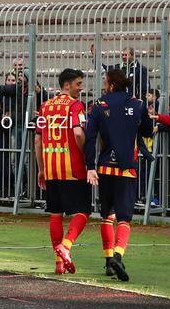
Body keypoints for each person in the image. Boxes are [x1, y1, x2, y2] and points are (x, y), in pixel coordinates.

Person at [83, 68, 155, 282]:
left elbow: (89, 137)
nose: (104, 86)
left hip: (105, 168)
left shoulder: (99, 105)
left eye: (105, 82)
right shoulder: (138, 104)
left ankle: (108, 262)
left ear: (111, 84)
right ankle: (118, 256)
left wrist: (90, 166)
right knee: (124, 218)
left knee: (107, 215)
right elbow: (148, 131)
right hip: (127, 168)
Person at [35, 68, 89, 275]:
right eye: (78, 84)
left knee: (56, 213)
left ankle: (59, 263)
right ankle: (66, 246)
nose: (80, 88)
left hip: (51, 167)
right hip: (72, 167)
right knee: (83, 211)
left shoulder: (45, 106)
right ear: (67, 85)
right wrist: (86, 156)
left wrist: (41, 169)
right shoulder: (75, 105)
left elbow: (37, 140)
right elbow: (78, 133)